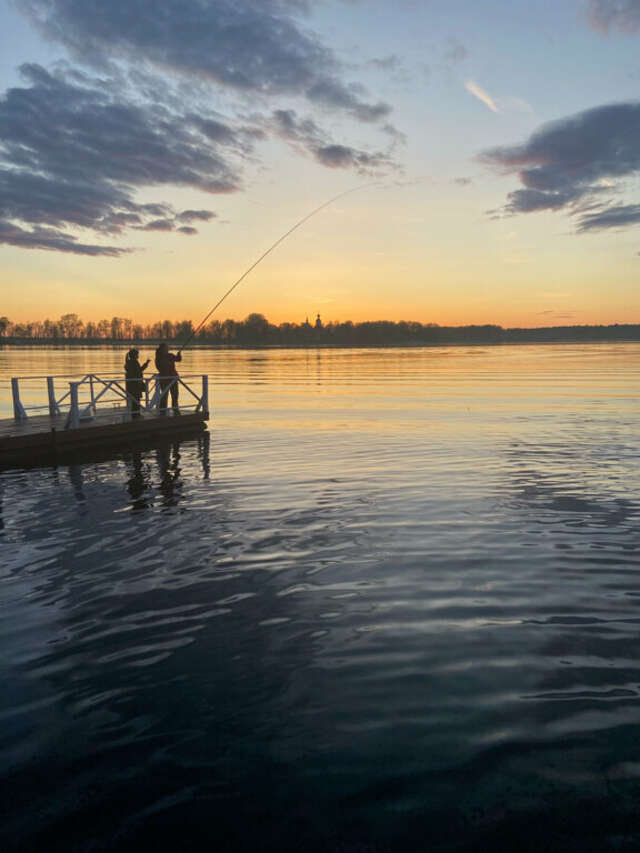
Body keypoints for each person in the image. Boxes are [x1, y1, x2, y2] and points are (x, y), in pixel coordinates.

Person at [155, 342, 182, 414]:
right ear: (162, 349)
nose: (168, 349)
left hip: (173, 378)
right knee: (164, 395)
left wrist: (179, 355)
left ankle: (175, 409)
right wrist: (168, 363)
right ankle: (162, 410)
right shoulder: (159, 357)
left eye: (167, 347)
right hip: (164, 379)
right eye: (166, 347)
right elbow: (160, 367)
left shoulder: (170, 355)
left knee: (175, 395)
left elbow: (178, 359)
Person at [124, 348, 150, 418]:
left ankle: (135, 414)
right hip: (135, 385)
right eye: (137, 354)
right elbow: (138, 371)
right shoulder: (134, 362)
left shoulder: (129, 362)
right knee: (136, 400)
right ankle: (136, 415)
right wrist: (146, 364)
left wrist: (146, 364)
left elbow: (138, 371)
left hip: (131, 385)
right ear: (134, 355)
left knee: (134, 400)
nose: (138, 355)